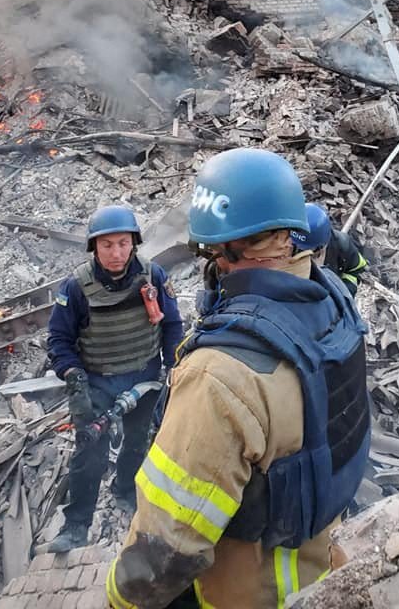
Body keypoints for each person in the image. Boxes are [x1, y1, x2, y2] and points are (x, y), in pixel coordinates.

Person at [106, 148, 371, 609]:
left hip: (247, 592)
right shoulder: (332, 304)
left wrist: (117, 599)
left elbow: (167, 550)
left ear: (223, 248)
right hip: (320, 567)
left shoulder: (219, 376)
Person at [47, 204, 183, 553]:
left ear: (134, 243)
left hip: (145, 377)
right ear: (94, 247)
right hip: (98, 381)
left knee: (139, 442)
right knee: (90, 452)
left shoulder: (154, 277)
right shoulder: (76, 287)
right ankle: (76, 525)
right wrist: (74, 378)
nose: (116, 253)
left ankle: (125, 491)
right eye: (107, 245)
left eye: (123, 243)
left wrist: (174, 365)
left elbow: (171, 326)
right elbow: (59, 340)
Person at [290, 203, 368, 296]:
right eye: (294, 246)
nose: (300, 253)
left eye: (308, 251)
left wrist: (342, 292)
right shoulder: (281, 244)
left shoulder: (342, 245)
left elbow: (357, 269)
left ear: (323, 246)